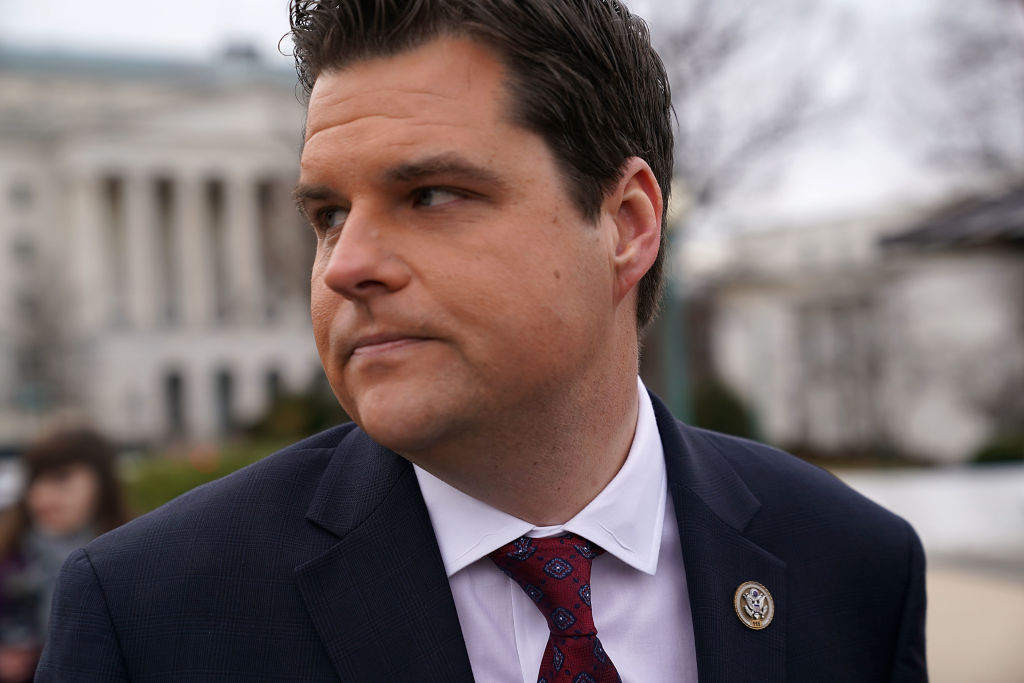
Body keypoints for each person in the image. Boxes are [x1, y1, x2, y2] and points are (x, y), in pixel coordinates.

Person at [38, 1, 928, 680]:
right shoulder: (150, 616)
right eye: (328, 214)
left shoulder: (852, 570)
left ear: (625, 224)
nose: (347, 266)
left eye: (428, 195)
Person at [0, 427, 126, 682]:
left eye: (61, 478)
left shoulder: (133, 555)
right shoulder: (10, 554)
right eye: (35, 479)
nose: (42, 496)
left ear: (101, 483)